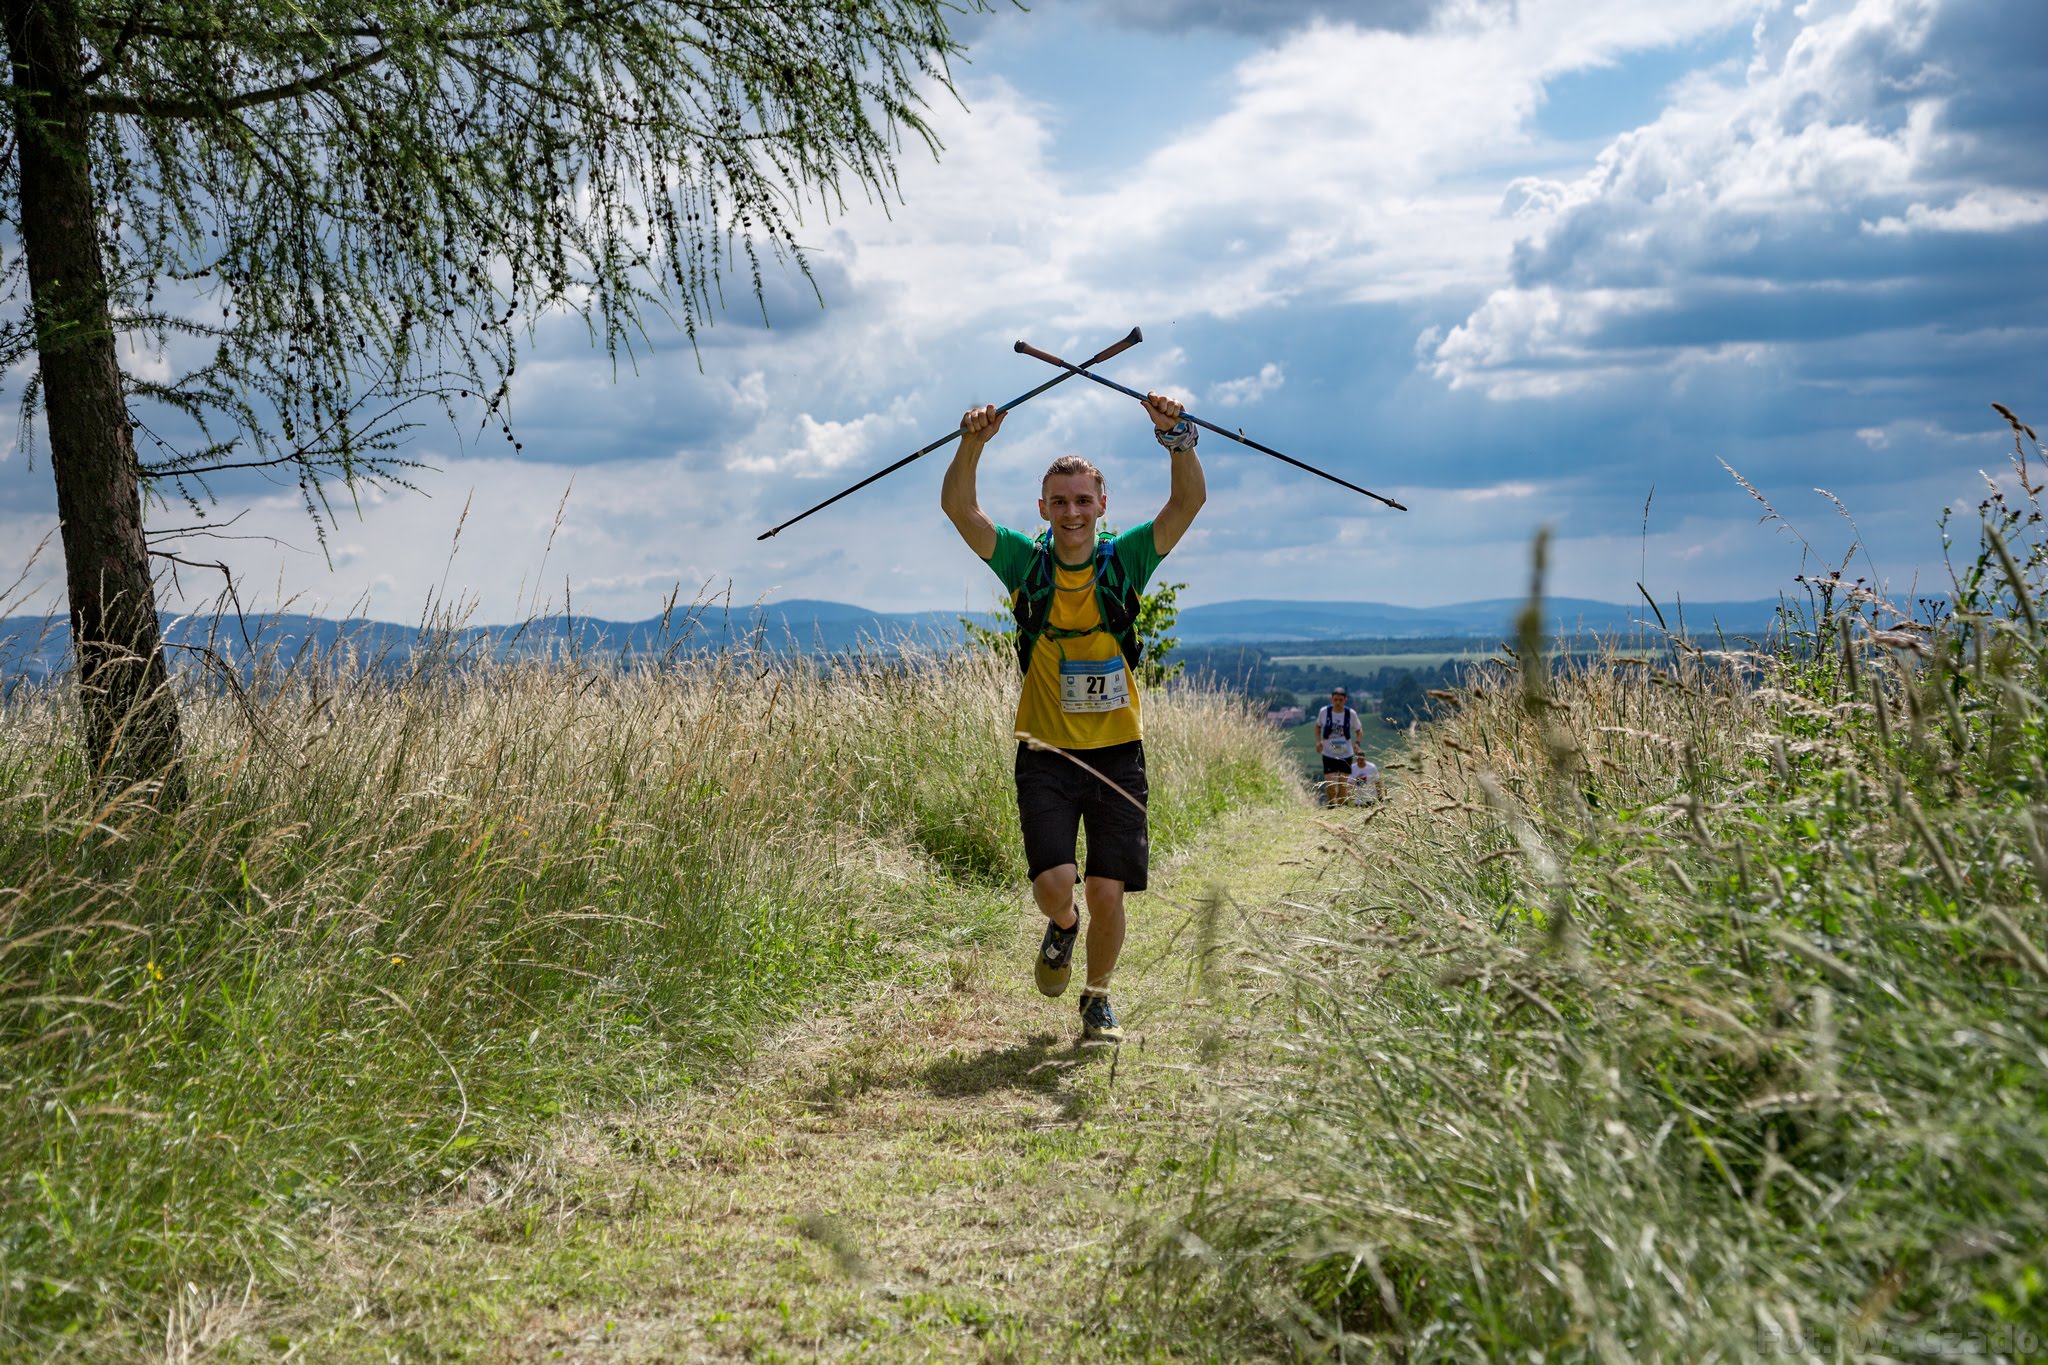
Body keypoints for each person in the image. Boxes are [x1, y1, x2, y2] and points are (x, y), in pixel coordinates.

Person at [941, 389, 1206, 1044]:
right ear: (1042, 508)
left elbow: (1187, 503)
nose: (1072, 511)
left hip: (1119, 750)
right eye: (1059, 501)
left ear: (1102, 504)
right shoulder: (1024, 563)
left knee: (1108, 892)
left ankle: (1097, 998)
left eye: (1083, 499)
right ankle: (1061, 929)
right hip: (1046, 753)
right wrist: (973, 441)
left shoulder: (1128, 561)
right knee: (1058, 885)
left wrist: (1178, 437)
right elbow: (959, 508)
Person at [1315, 687, 1362, 806]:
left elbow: (1359, 730)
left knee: (1342, 785)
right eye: (1335, 699)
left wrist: (1357, 743)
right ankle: (1331, 806)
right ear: (1331, 699)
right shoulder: (1324, 711)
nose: (1337, 702)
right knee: (1330, 783)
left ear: (1345, 700)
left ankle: (1341, 809)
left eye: (1340, 700)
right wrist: (1318, 741)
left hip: (1345, 753)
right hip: (1328, 753)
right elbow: (1318, 726)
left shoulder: (1351, 714)